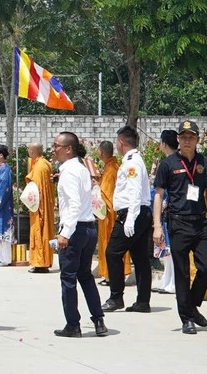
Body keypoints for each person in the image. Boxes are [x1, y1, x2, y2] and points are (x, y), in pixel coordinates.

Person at [153, 120, 207, 334]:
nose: (187, 140)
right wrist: (157, 225)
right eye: (183, 137)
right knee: (182, 273)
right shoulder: (169, 164)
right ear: (177, 139)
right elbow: (159, 195)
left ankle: (191, 306)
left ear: (197, 139)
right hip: (178, 222)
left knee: (206, 267)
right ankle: (187, 318)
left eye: (191, 137)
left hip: (200, 223)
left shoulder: (205, 162)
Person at [52, 132, 107, 338]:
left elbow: (74, 205)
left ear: (69, 149)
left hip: (74, 230)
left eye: (57, 146)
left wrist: (65, 233)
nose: (54, 149)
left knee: (68, 278)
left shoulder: (69, 172)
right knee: (85, 276)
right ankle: (98, 320)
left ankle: (73, 324)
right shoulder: (82, 168)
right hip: (89, 227)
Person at [102, 126, 152, 313]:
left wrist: (130, 218)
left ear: (121, 142)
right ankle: (143, 301)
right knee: (140, 258)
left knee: (112, 253)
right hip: (138, 212)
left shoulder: (132, 162)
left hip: (132, 213)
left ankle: (116, 297)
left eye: (117, 142)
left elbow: (134, 190)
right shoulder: (132, 160)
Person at [94, 141, 130, 284]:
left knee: (109, 245)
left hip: (110, 216)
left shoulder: (110, 170)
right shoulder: (114, 166)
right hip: (116, 213)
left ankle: (110, 276)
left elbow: (106, 197)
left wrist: (97, 188)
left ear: (101, 153)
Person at [153, 130, 179, 295]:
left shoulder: (174, 162)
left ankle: (174, 282)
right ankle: (167, 278)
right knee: (167, 249)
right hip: (164, 211)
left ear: (164, 143)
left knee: (173, 249)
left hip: (171, 209)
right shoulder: (166, 162)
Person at [26, 143, 54, 273]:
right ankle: (42, 262)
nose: (27, 151)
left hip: (40, 207)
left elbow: (36, 191)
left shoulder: (40, 167)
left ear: (32, 151)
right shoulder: (43, 163)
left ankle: (40, 262)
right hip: (42, 205)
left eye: (29, 149)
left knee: (40, 231)